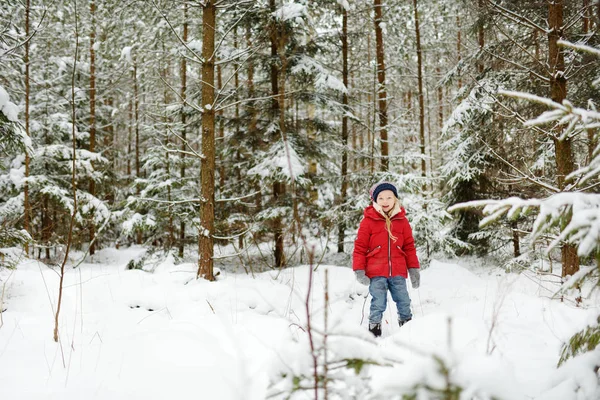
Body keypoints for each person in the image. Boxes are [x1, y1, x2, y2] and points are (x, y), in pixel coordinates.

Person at [352, 181, 420, 337]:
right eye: (381, 198)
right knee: (378, 303)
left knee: (404, 301)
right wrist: (359, 269)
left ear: (395, 199)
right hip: (376, 271)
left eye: (389, 197)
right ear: (375, 200)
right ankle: (374, 333)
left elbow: (409, 247)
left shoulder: (402, 221)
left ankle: (407, 331)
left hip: (398, 270)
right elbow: (360, 247)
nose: (385, 201)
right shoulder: (368, 221)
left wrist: (414, 269)